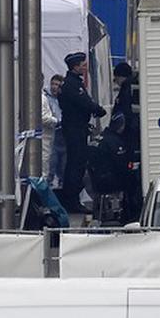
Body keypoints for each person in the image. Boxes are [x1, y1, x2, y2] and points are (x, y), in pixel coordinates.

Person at [58, 52, 105, 214]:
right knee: (76, 165)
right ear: (76, 66)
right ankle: (71, 200)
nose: (85, 67)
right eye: (83, 64)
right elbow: (85, 102)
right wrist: (99, 110)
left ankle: (71, 199)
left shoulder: (73, 82)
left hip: (76, 128)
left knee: (76, 164)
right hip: (75, 129)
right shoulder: (72, 84)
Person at [41, 74, 65, 188]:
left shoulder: (64, 99)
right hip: (52, 133)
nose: (54, 87)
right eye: (53, 84)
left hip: (63, 135)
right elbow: (45, 117)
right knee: (50, 162)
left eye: (57, 85)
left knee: (63, 164)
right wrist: (57, 121)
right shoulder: (45, 98)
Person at [111, 61, 139, 154]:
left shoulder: (126, 88)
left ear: (121, 77)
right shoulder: (133, 86)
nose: (116, 82)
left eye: (116, 79)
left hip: (128, 130)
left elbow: (124, 111)